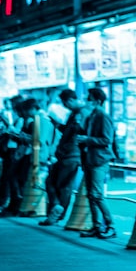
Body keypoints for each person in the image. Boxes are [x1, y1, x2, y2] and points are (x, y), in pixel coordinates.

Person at [77, 87, 117, 239]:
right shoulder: (90, 116)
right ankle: (96, 226)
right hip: (89, 158)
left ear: (98, 101)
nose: (87, 101)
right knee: (91, 195)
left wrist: (87, 140)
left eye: (90, 98)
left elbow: (107, 140)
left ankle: (110, 225)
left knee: (97, 194)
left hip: (100, 159)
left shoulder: (103, 117)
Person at [40, 89, 85, 226]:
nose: (65, 107)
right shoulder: (75, 114)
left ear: (70, 100)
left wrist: (60, 152)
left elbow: (74, 136)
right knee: (52, 182)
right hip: (66, 154)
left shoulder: (81, 114)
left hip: (70, 155)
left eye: (65, 103)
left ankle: (57, 212)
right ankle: (56, 210)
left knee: (63, 185)